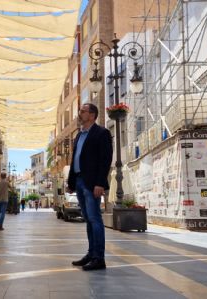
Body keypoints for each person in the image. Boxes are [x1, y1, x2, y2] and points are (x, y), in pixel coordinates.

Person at [67, 103, 113, 271]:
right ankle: (91, 253)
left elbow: (105, 159)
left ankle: (99, 258)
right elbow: (74, 161)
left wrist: (100, 182)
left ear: (92, 115)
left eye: (83, 111)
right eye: (80, 111)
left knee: (95, 219)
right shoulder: (79, 136)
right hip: (79, 181)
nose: (80, 113)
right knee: (88, 219)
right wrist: (71, 182)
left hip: (92, 182)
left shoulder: (102, 133)